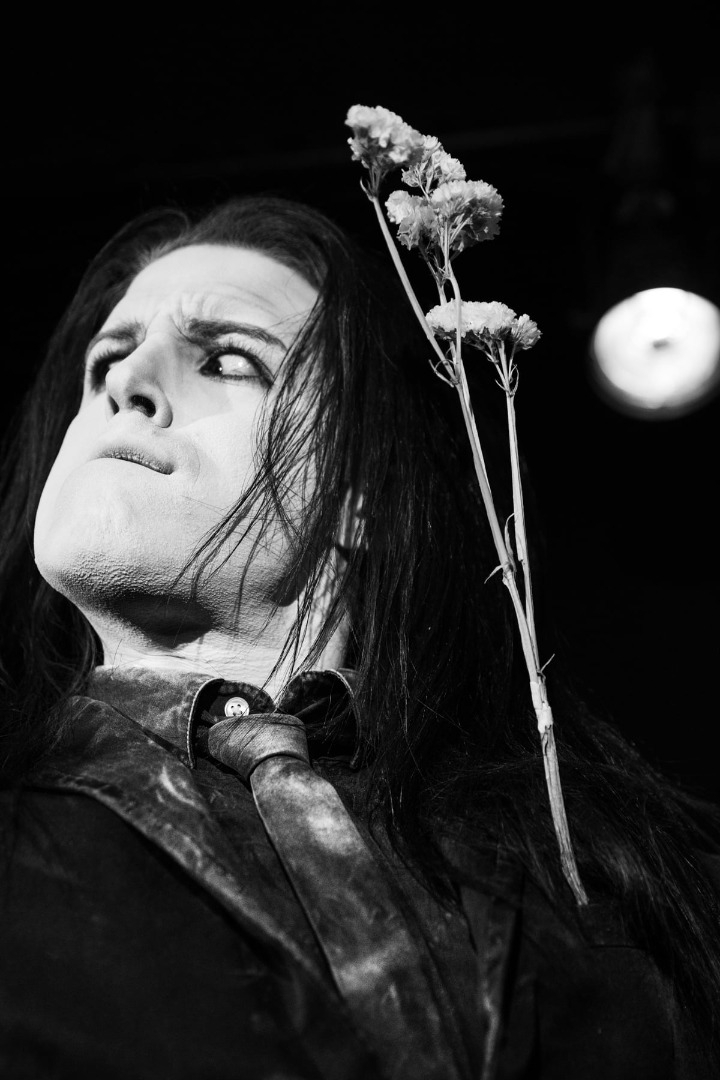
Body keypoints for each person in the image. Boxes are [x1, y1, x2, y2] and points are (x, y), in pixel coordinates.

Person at [0, 195, 718, 1079]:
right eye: (104, 360)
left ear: (360, 496)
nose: (126, 381)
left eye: (226, 361)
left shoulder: (617, 867)